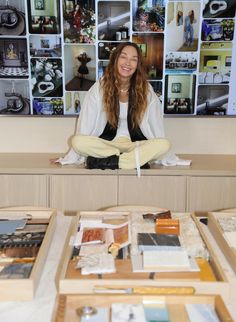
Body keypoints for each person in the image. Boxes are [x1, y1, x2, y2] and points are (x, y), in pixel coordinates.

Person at [55, 42, 171, 170]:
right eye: (123, 57)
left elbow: (156, 125)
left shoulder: (146, 89)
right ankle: (134, 161)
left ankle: (112, 161)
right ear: (115, 59)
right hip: (107, 144)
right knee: (77, 142)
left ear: (138, 65)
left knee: (164, 144)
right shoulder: (99, 88)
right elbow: (85, 124)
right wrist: (71, 156)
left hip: (135, 144)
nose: (128, 63)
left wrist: (163, 151)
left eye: (134, 59)